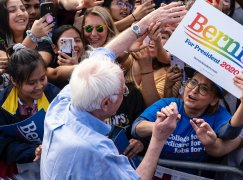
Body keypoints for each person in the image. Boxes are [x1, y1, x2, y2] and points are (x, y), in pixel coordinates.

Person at [40, 2, 187, 179]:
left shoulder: (61, 107)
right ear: (106, 103)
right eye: (121, 90)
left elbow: (106, 52)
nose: (126, 88)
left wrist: (145, 23)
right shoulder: (98, 152)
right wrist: (158, 138)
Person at [132, 71, 243, 166]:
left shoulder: (218, 115)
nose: (194, 90)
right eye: (193, 82)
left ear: (214, 100)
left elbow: (229, 132)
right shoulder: (167, 104)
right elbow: (136, 127)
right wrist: (158, 127)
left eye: (204, 88)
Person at [0, 48, 60, 179]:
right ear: (14, 81)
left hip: (54, 162)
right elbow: (3, 145)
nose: (39, 86)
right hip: (20, 167)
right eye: (31, 82)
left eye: (43, 78)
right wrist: (33, 151)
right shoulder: (3, 104)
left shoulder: (55, 97)